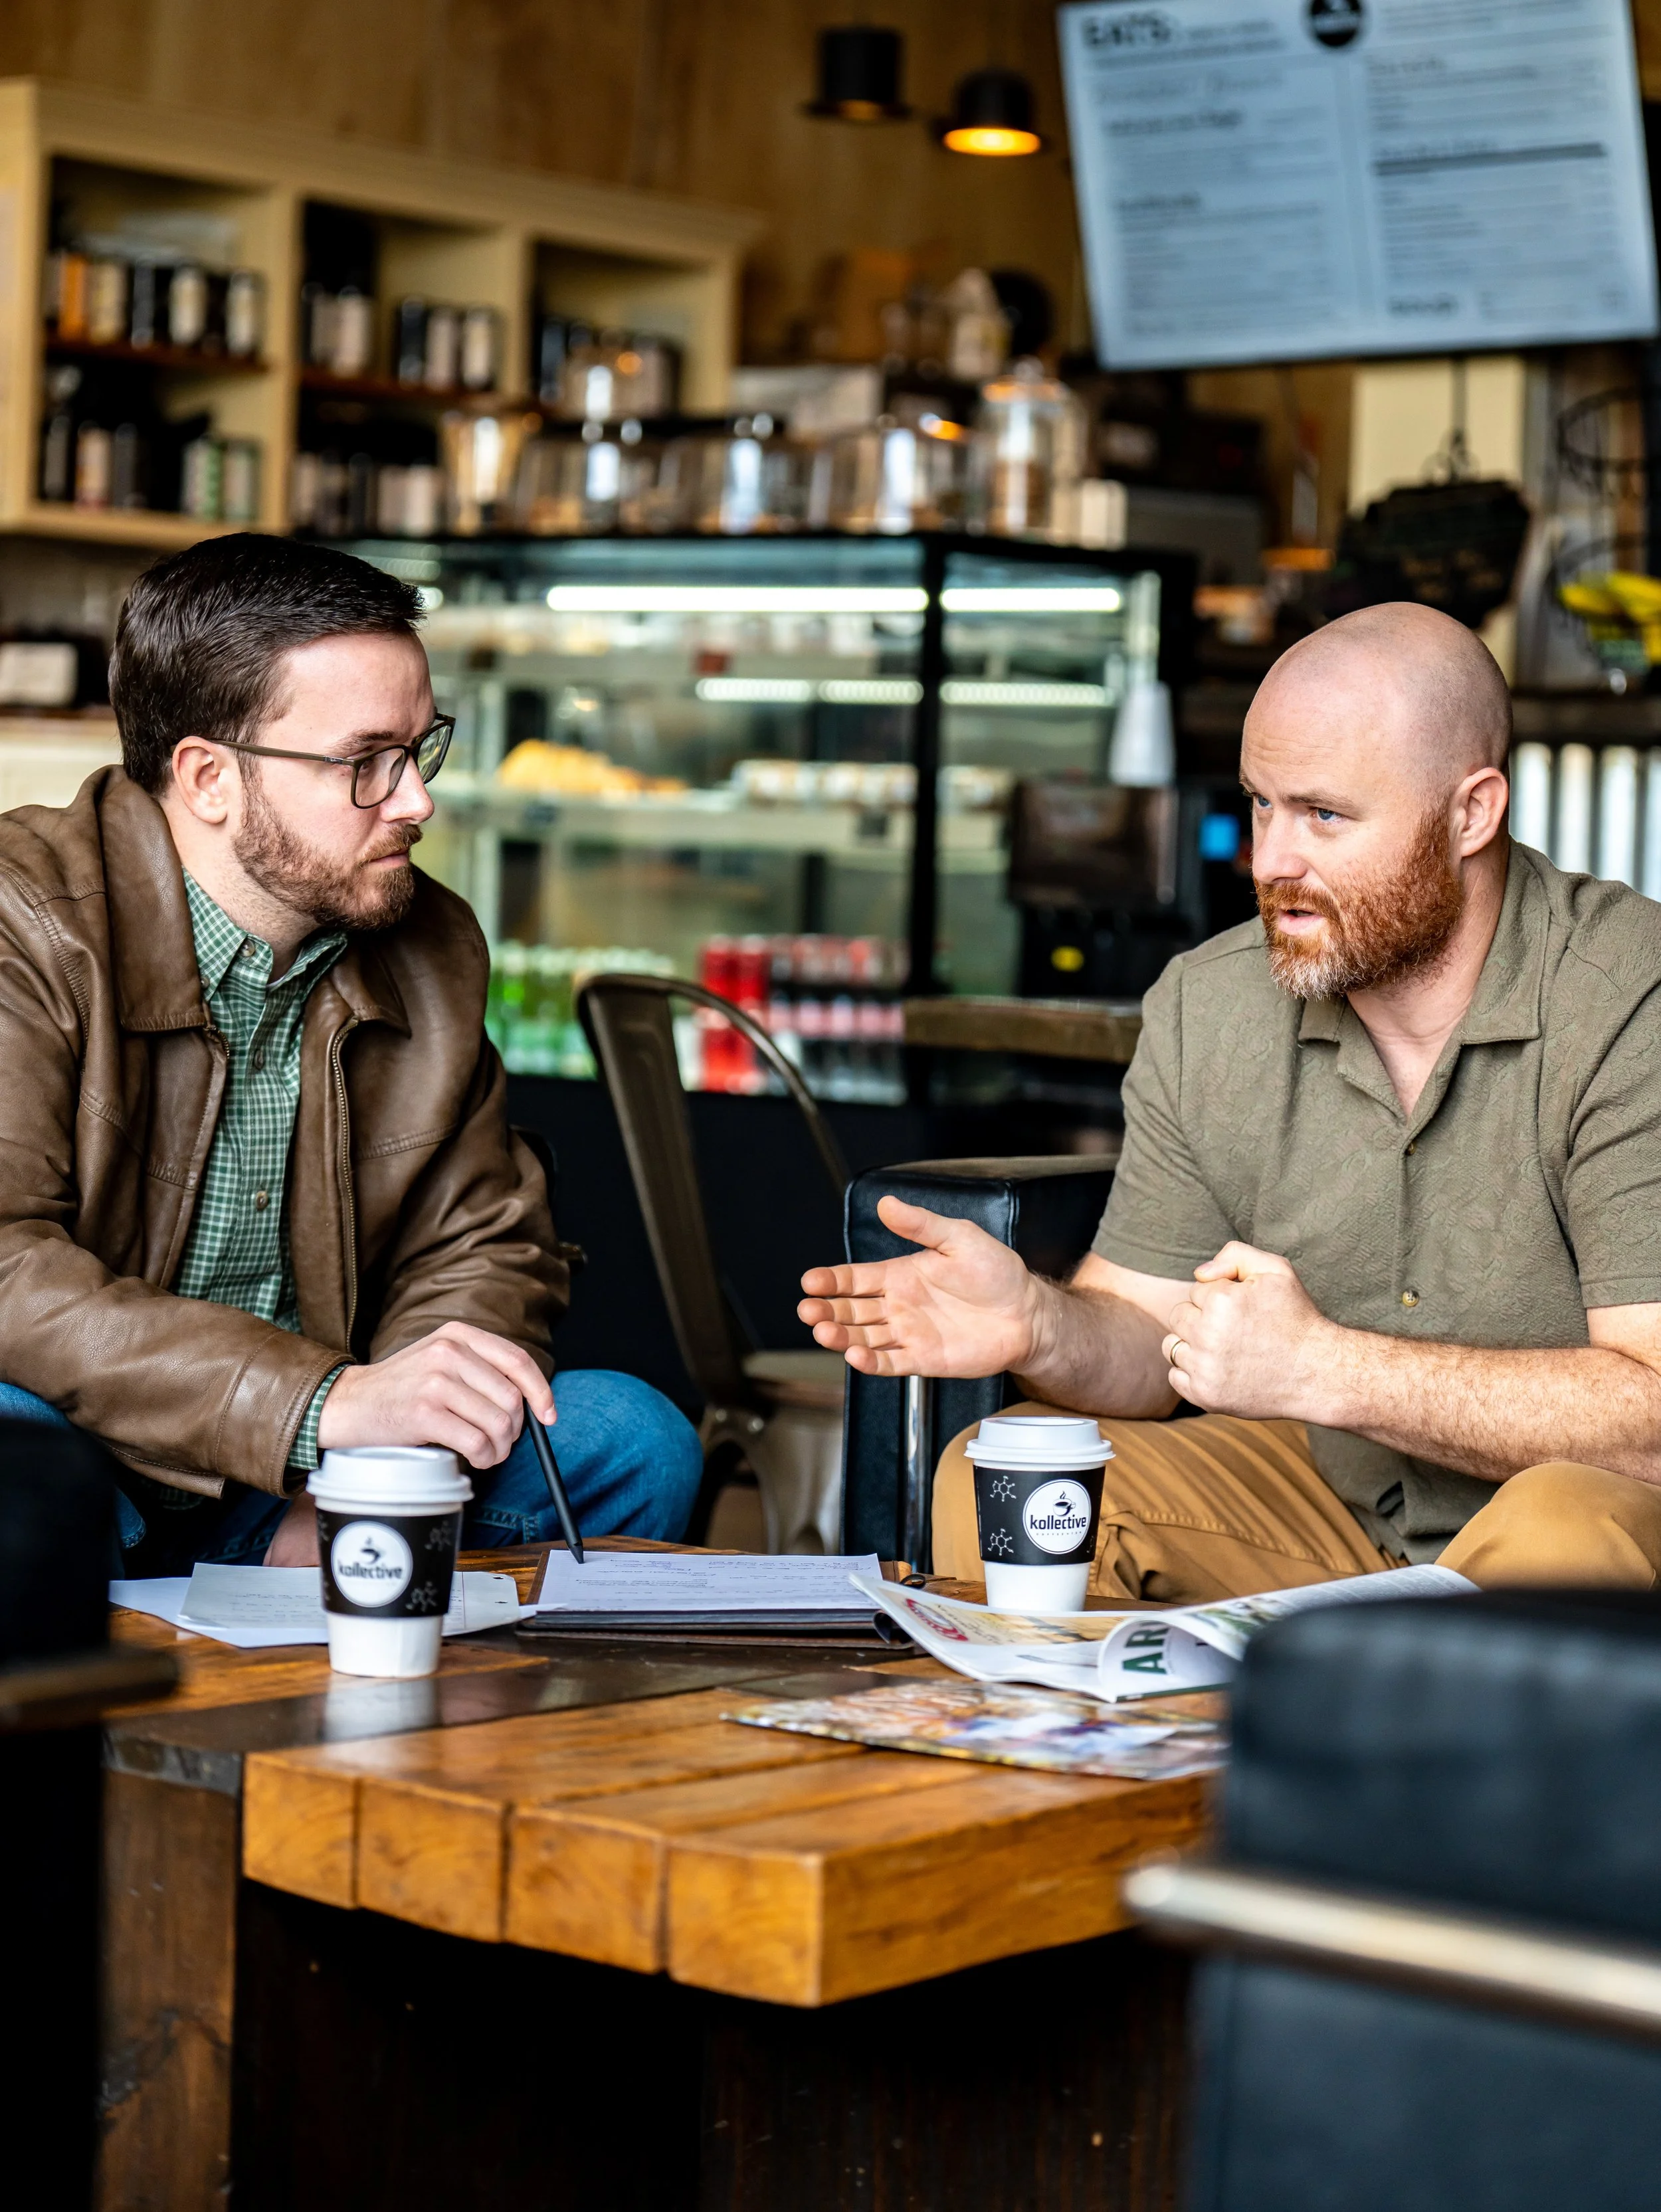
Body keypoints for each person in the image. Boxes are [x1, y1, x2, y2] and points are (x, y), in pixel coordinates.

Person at [801, 602, 1661, 1597]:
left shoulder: (1628, 995)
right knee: (1013, 1476)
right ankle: (1154, 1750)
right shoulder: (1210, 1003)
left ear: (1472, 813)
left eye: (1324, 815)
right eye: (1261, 805)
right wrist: (1043, 1324)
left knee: (1564, 1528)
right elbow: (1144, 1330)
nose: (1271, 863)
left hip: (1584, 1511)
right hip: (1337, 1501)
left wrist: (1327, 1370)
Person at [0, 533, 700, 1572]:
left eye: (421, 748)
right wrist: (322, 1405)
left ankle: (384, 1663)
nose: (416, 800)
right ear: (208, 777)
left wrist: (383, 1468)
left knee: (635, 1439)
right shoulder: (26, 917)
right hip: (90, 1467)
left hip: (317, 1472)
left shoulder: (432, 943)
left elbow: (484, 1242)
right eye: (366, 763)